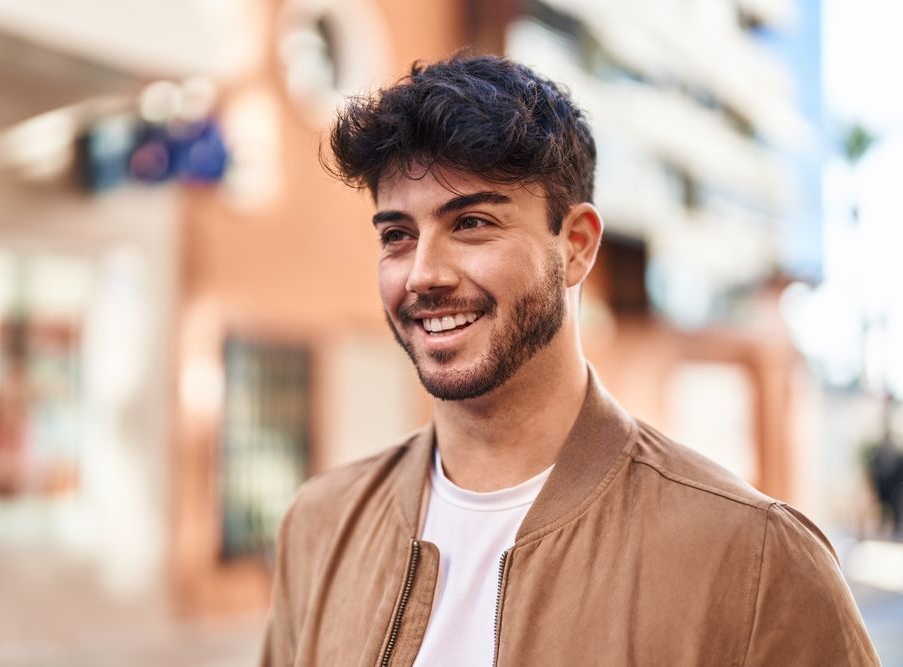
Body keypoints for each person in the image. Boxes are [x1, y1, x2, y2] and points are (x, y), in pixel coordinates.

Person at [260, 54, 879, 666]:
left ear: (577, 247)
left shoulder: (755, 559)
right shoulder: (322, 524)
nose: (423, 274)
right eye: (397, 235)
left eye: (472, 223)